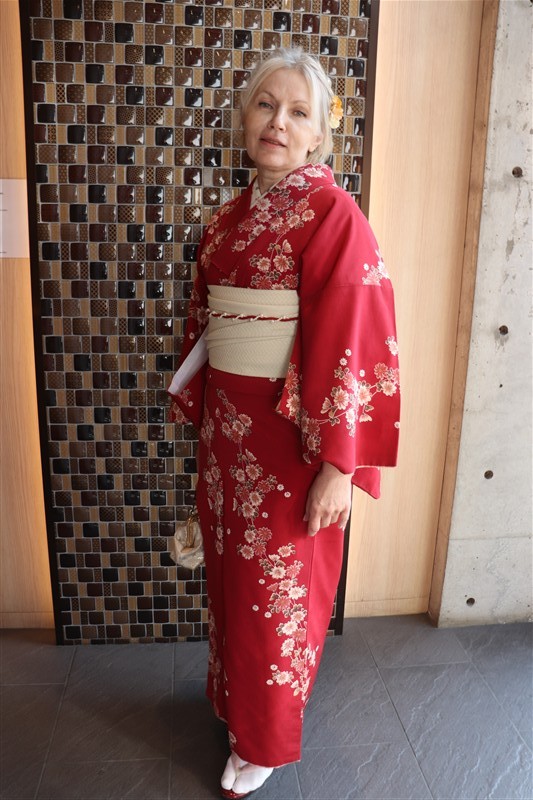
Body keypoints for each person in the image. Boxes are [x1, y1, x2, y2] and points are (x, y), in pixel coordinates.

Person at [168, 48, 400, 799]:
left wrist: (340, 464)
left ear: (318, 136)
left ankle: (264, 740)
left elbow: (355, 336)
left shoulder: (334, 216)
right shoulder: (227, 220)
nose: (278, 122)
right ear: (245, 118)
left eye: (299, 112)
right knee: (233, 582)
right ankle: (236, 706)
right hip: (229, 431)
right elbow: (208, 322)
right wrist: (202, 408)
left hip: (293, 437)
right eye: (266, 105)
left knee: (278, 590)